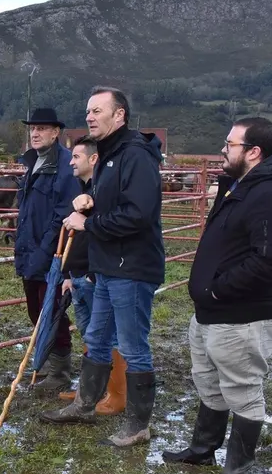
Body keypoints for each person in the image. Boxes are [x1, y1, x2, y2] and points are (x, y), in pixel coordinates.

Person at [163, 117, 272, 474]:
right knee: (208, 382)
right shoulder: (239, 185)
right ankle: (203, 449)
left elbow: (270, 261)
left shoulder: (270, 193)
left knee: (243, 388)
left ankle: (237, 470)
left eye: (230, 144)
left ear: (253, 151)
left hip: (242, 315)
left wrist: (219, 290)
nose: (224, 150)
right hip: (211, 312)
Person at [41, 87, 165, 449]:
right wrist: (90, 199)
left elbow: (139, 214)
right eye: (88, 111)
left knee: (132, 345)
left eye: (98, 111)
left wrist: (89, 224)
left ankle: (138, 424)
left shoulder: (136, 156)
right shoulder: (110, 156)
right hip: (108, 265)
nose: (90, 117)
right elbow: (118, 203)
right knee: (96, 338)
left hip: (132, 267)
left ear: (120, 115)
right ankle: (84, 404)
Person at [13, 108, 81, 396]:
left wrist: (46, 252)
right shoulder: (36, 163)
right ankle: (45, 361)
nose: (35, 133)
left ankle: (59, 371)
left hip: (52, 253)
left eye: (42, 128)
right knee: (35, 309)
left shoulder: (65, 166)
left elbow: (61, 216)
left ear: (56, 132)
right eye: (32, 129)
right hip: (31, 249)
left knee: (52, 310)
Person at [57, 136, 125, 414]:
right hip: (79, 274)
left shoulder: (105, 192)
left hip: (95, 275)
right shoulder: (82, 189)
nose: (71, 161)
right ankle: (90, 388)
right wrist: (68, 274)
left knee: (108, 336)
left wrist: (98, 271)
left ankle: (117, 395)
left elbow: (106, 234)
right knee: (90, 334)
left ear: (93, 159)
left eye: (76, 157)